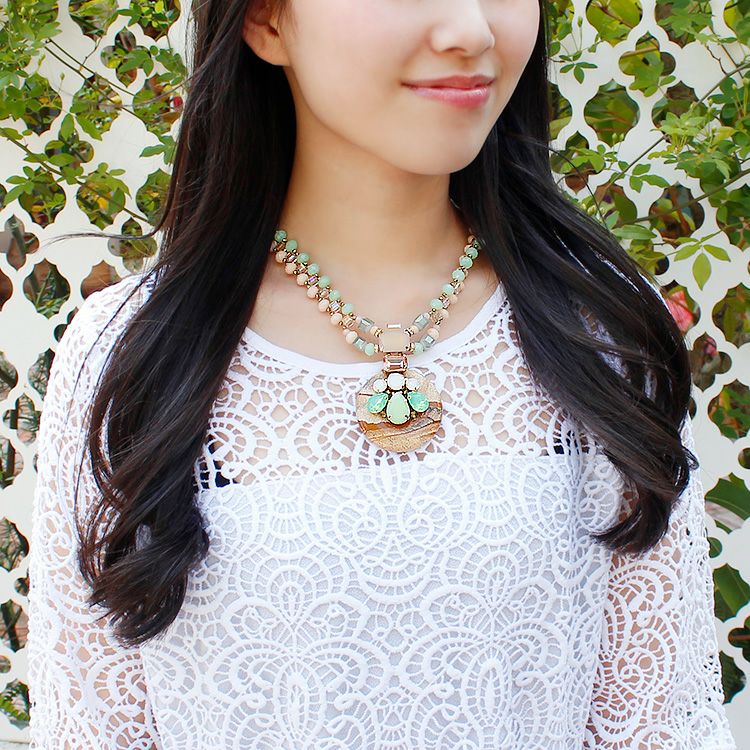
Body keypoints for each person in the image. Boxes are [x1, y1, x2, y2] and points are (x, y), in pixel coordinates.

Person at [26, 0, 738, 748]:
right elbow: (95, 729)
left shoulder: (601, 330)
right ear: (265, 20)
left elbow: (660, 726)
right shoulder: (129, 353)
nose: (471, 30)